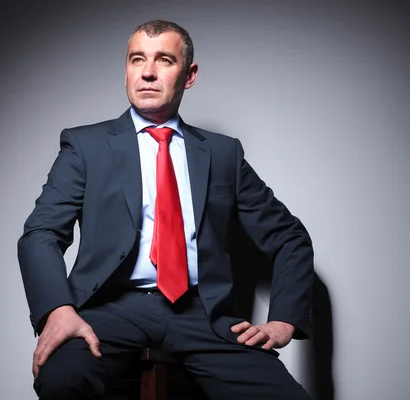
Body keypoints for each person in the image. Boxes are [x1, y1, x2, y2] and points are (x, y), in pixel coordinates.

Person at [18, 19, 314, 399]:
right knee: (62, 381)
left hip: (202, 314)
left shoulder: (223, 153)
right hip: (108, 309)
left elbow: (288, 236)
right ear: (125, 70)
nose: (147, 72)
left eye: (164, 60)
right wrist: (57, 309)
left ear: (188, 75)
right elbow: (40, 233)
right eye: (137, 59)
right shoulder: (86, 146)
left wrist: (283, 321)